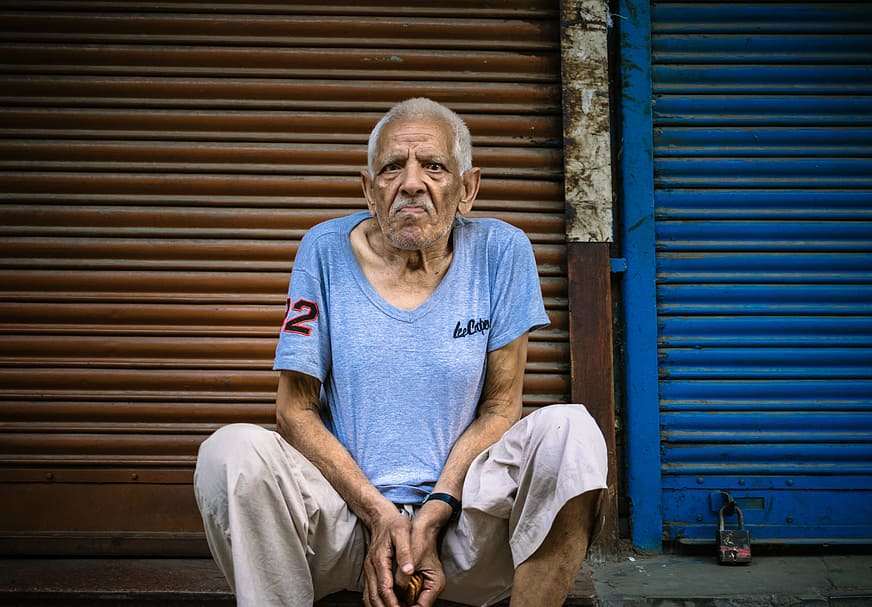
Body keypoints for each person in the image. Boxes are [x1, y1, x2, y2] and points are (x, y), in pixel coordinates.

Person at [193, 98, 608, 607]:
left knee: (574, 431)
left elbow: (502, 407)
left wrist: (436, 508)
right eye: (393, 167)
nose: (412, 183)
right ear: (369, 189)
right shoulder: (322, 251)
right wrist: (379, 515)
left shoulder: (503, 252)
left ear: (468, 188)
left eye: (433, 166)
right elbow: (293, 409)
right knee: (230, 452)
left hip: (460, 530)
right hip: (345, 525)